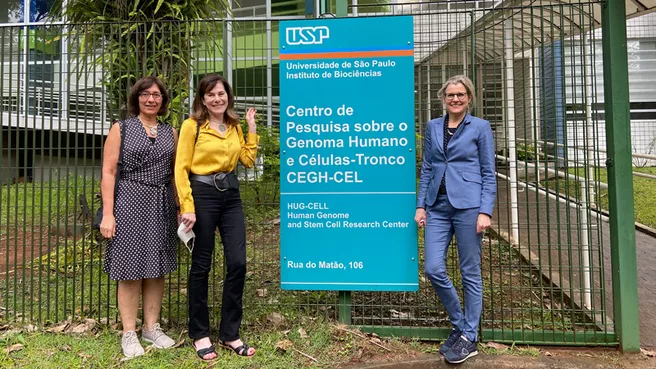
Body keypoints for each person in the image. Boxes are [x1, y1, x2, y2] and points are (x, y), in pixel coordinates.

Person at [175, 73, 258, 361]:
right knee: (202, 264)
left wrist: (251, 128)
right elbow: (181, 168)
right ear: (203, 99)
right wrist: (187, 205)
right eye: (210, 94)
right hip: (203, 195)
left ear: (228, 97)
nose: (217, 98)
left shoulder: (233, 125)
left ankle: (230, 333)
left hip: (231, 196)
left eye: (221, 93)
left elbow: (247, 160)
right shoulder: (191, 126)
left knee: (238, 262)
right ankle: (200, 334)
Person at [415, 75, 496, 364]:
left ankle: (469, 336)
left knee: (469, 272)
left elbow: (489, 172)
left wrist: (485, 210)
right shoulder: (433, 126)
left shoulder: (481, 128)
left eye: (461, 94)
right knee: (433, 267)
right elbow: (427, 167)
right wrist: (421, 205)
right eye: (450, 95)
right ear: (443, 98)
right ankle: (462, 325)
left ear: (469, 98)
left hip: (468, 208)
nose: (456, 99)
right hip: (437, 206)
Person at [99, 76, 179, 358]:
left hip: (162, 203)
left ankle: (151, 327)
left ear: (163, 100)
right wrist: (108, 214)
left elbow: (175, 174)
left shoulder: (171, 132)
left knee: (157, 267)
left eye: (157, 95)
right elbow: (108, 173)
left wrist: (180, 208)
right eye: (145, 94)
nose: (151, 99)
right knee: (130, 268)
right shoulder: (121, 128)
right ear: (136, 99)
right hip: (130, 201)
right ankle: (129, 332)